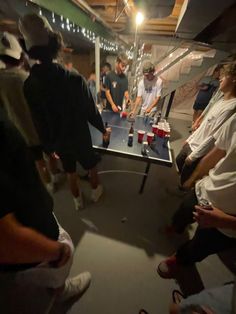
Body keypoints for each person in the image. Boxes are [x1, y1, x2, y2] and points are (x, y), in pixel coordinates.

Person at [0, 111, 91, 312]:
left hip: (31, 215)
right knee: (35, 296)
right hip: (32, 242)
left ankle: (57, 290)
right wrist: (58, 251)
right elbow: (6, 242)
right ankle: (58, 293)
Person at [19, 13, 110, 210]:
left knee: (70, 171)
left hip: (58, 141)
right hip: (79, 136)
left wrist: (49, 148)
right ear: (55, 45)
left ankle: (77, 201)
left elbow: (39, 121)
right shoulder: (74, 79)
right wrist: (103, 129)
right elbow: (91, 111)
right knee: (90, 165)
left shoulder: (29, 86)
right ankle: (96, 192)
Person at [157, 111, 236, 279]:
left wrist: (226, 221)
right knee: (183, 211)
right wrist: (194, 179)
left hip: (229, 216)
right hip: (207, 189)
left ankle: (179, 260)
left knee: (200, 246)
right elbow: (215, 154)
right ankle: (177, 228)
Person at [0, 31, 58, 193]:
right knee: (49, 154)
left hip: (21, 132)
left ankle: (49, 183)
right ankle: (55, 174)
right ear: (20, 56)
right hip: (40, 128)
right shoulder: (28, 78)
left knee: (38, 161)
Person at [176, 62, 236, 186]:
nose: (220, 78)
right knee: (179, 160)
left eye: (225, 75)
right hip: (193, 142)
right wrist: (190, 138)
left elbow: (213, 137)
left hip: (199, 150)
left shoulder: (231, 108)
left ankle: (182, 190)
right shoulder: (220, 100)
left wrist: (194, 155)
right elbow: (205, 125)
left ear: (234, 79)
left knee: (187, 178)